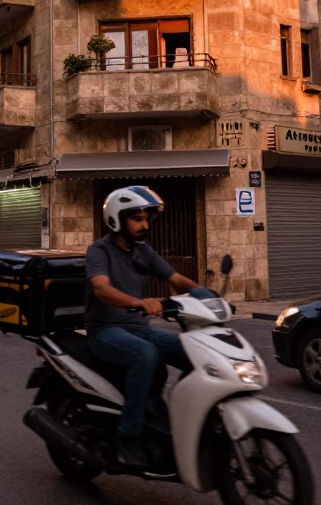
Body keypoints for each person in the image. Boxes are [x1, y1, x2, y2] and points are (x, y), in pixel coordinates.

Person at [85, 185, 210, 468]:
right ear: (117, 219)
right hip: (106, 330)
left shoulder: (144, 251)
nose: (144, 225)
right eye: (137, 218)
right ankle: (128, 437)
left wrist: (209, 295)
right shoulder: (99, 251)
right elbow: (101, 289)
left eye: (146, 219)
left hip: (139, 329)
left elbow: (176, 279)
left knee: (196, 351)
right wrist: (139, 302)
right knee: (145, 355)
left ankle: (176, 416)